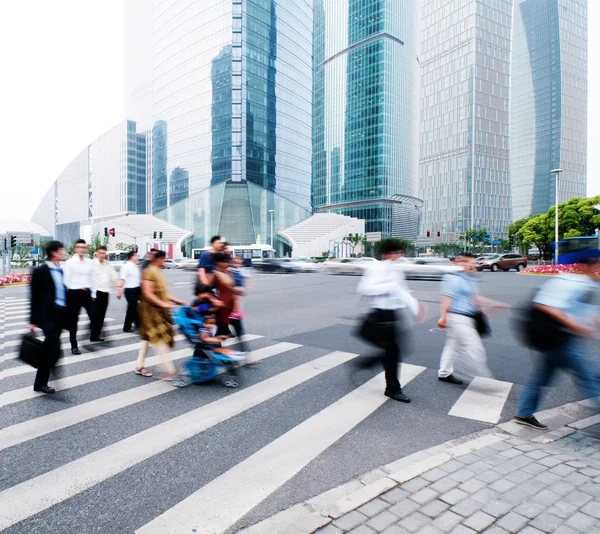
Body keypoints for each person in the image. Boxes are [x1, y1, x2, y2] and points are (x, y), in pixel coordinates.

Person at [513, 259, 600, 429]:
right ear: (585, 266)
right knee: (587, 377)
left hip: (554, 339)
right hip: (557, 339)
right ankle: (523, 413)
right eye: (596, 265)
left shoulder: (581, 283)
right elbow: (545, 305)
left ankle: (523, 413)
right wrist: (573, 324)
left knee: (540, 377)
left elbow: (591, 316)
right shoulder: (572, 283)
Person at [357, 239, 427, 402]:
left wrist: (415, 307)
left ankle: (369, 364)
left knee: (398, 351)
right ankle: (392, 389)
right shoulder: (376, 268)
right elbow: (365, 289)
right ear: (386, 254)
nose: (398, 256)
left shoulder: (396, 270)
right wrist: (389, 286)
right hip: (380, 315)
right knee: (393, 353)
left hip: (394, 315)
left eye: (399, 253)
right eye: (395, 252)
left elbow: (401, 292)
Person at [437, 254, 507, 384]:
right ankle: (484, 381)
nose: (473, 265)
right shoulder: (452, 278)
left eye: (474, 263)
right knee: (474, 348)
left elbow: (474, 298)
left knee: (452, 346)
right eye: (470, 262)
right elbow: (446, 299)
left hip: (468, 317)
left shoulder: (470, 279)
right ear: (461, 263)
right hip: (457, 317)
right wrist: (443, 317)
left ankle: (444, 372)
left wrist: (494, 304)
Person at [135, 250, 186, 379]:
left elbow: (162, 292)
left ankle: (139, 365)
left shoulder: (158, 271)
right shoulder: (149, 272)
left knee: (147, 338)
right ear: (158, 259)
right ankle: (168, 370)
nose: (164, 262)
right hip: (151, 312)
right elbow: (147, 292)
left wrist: (175, 300)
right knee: (160, 340)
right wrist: (163, 304)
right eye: (163, 260)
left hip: (158, 310)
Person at [28, 241, 68, 394]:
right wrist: (32, 320)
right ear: (53, 253)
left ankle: (50, 365)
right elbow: (34, 297)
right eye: (61, 250)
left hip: (59, 315)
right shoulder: (40, 271)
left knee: (53, 349)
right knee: (51, 349)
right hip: (47, 317)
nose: (63, 253)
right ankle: (40, 383)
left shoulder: (61, 270)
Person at [63, 239, 94, 355]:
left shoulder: (90, 262)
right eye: (79, 247)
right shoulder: (69, 263)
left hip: (87, 293)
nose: (82, 249)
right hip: (74, 294)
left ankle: (87, 337)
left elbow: (93, 278)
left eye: (84, 247)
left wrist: (93, 294)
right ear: (75, 249)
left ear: (86, 249)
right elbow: (66, 281)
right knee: (73, 322)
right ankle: (74, 346)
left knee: (95, 317)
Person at [90, 246, 123, 341]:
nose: (102, 255)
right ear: (96, 253)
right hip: (95, 293)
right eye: (100, 253)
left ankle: (96, 335)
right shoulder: (92, 264)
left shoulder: (108, 265)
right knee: (95, 315)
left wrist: (119, 288)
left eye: (104, 253)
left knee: (101, 315)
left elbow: (115, 278)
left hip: (105, 293)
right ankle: (93, 333)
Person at [213, 252, 236, 337]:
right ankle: (221, 332)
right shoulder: (215, 273)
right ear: (218, 262)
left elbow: (232, 283)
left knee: (225, 316)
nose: (226, 264)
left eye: (226, 262)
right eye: (223, 262)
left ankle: (224, 330)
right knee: (222, 316)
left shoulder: (228, 271)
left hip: (230, 297)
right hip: (222, 297)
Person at [121, 250, 141, 332]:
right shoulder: (126, 266)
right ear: (132, 256)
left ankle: (137, 324)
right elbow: (122, 278)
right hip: (129, 290)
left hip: (137, 289)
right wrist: (119, 290)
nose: (138, 257)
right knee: (132, 308)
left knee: (135, 307)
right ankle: (126, 327)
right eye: (136, 255)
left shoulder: (135, 266)